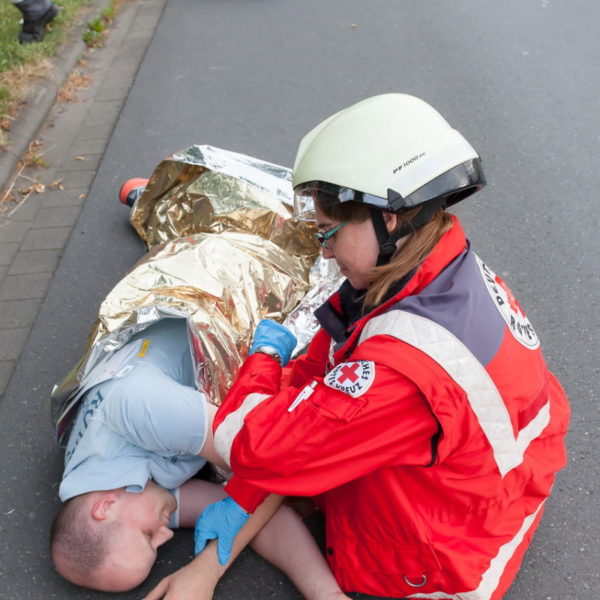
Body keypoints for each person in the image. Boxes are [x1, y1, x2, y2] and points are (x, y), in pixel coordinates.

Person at [180, 93, 571, 600]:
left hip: (448, 557)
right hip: (494, 485)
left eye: (329, 233)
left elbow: (254, 447)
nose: (325, 251)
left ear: (388, 218)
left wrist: (262, 361)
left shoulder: (403, 369)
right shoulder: (430, 270)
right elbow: (318, 375)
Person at [51, 317, 350, 599]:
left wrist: (205, 571)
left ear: (104, 507)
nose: (166, 536)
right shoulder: (114, 489)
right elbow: (258, 512)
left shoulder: (138, 410)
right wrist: (327, 594)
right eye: (157, 546)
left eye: (147, 536)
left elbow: (273, 465)